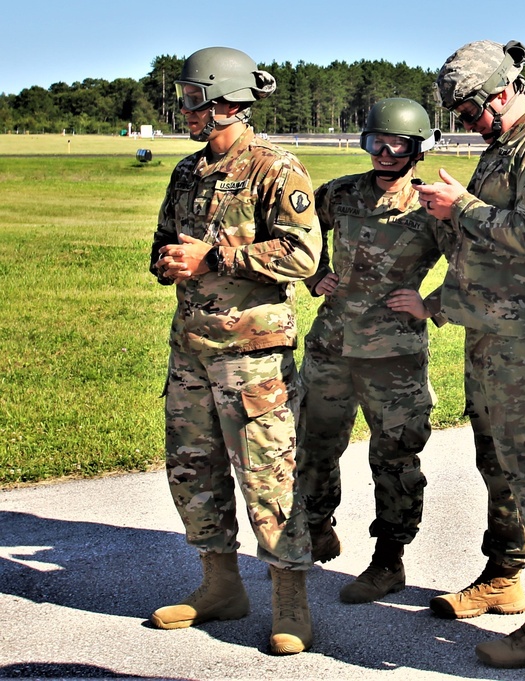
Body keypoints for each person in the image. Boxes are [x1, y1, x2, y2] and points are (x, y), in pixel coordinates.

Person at [414, 39, 525, 669]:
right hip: (492, 336)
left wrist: (460, 206)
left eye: (466, 112)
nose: (462, 124)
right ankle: (507, 576)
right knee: (500, 465)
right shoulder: (504, 147)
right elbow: (486, 244)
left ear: (498, 95)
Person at [147, 46, 321, 655]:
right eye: (184, 99)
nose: (186, 111)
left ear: (228, 101)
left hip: (253, 359)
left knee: (270, 476)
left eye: (194, 100)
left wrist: (214, 255)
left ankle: (290, 603)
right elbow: (166, 241)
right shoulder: (188, 172)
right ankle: (220, 586)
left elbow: (303, 257)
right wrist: (168, 261)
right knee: (193, 468)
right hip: (191, 348)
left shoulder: (277, 170)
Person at [295, 98, 452, 604]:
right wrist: (316, 275)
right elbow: (296, 234)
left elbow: (478, 265)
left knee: (395, 458)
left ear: (417, 149)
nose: (384, 153)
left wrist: (431, 304)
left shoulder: (431, 206)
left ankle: (389, 561)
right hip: (331, 346)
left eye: (397, 144)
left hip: (394, 356)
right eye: (376, 143)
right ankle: (316, 526)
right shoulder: (340, 194)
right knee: (313, 443)